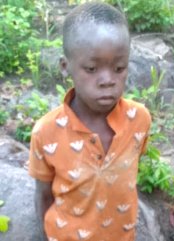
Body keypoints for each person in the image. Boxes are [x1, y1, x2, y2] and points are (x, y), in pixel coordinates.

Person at [28, 2, 151, 240]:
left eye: (119, 67)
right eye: (92, 68)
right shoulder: (46, 132)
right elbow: (43, 195)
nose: (107, 80)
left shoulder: (139, 119)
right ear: (66, 67)